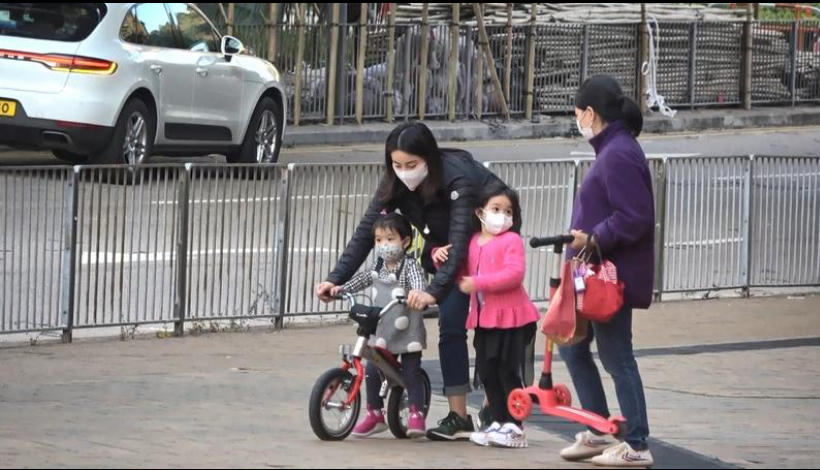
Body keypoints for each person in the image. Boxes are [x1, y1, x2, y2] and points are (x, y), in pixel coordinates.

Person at [316, 122, 504, 441]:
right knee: (451, 325)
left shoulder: (458, 178)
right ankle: (459, 416)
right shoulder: (395, 183)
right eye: (397, 164)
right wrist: (334, 279)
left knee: (491, 328)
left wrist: (432, 292)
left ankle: (494, 405)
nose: (404, 172)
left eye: (411, 164)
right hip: (446, 252)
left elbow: (461, 240)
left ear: (429, 158)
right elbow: (366, 231)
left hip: (489, 248)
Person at [558, 75, 656, 467]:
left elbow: (635, 216)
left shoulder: (618, 153)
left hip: (609, 276)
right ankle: (599, 429)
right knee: (572, 346)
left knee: (617, 357)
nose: (577, 120)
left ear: (590, 113)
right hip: (591, 271)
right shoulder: (613, 149)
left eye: (577, 113)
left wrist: (594, 237)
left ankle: (636, 445)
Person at [433, 182, 539, 449]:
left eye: (508, 211)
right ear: (480, 212)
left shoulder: (511, 241)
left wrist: (478, 283)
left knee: (507, 371)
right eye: (496, 209)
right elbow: (463, 275)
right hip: (485, 319)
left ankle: (515, 426)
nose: (502, 216)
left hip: (512, 319)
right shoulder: (472, 242)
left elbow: (514, 274)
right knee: (488, 371)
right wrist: (438, 257)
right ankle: (499, 422)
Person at [331, 213, 428, 438]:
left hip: (407, 329)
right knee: (373, 368)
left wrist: (417, 293)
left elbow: (418, 284)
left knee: (411, 371)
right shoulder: (378, 265)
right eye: (378, 240)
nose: (383, 245)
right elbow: (363, 278)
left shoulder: (409, 266)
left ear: (405, 241)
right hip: (383, 327)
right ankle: (374, 413)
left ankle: (416, 412)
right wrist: (342, 289)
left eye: (390, 239)